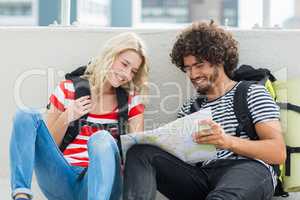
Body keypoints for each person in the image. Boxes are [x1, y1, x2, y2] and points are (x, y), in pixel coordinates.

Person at [122, 21, 286, 200]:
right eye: (188, 68)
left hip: (247, 169)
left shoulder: (251, 92)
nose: (193, 75)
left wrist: (227, 141)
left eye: (199, 65)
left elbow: (277, 152)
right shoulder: (189, 108)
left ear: (220, 59)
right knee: (139, 152)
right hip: (202, 177)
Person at [10, 32, 149, 200]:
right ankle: (21, 194)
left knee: (101, 139)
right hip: (60, 178)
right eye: (124, 64)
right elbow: (49, 146)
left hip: (101, 182)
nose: (126, 75)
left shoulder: (130, 100)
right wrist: (67, 116)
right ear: (110, 56)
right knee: (26, 114)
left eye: (133, 71)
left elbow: (134, 151)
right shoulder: (68, 89)